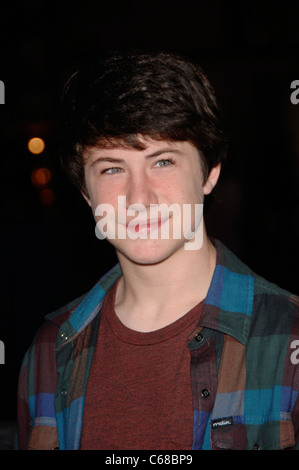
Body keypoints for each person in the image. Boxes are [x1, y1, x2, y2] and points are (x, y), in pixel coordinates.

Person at [17, 51, 299, 450]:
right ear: (85, 192)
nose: (139, 197)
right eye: (112, 168)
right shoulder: (49, 351)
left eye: (162, 161)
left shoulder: (287, 341)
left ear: (210, 171)